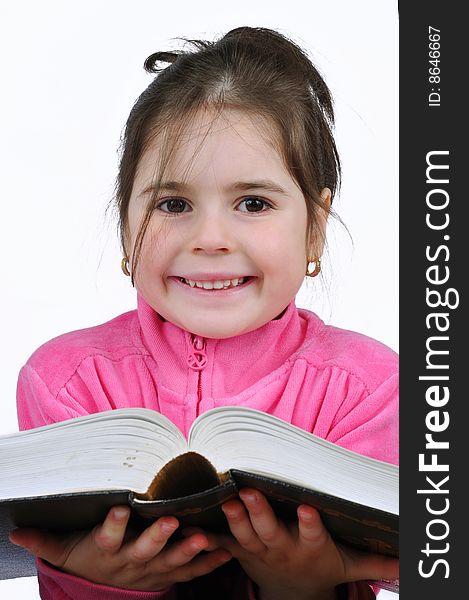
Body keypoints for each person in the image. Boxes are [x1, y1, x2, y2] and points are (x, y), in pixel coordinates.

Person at [9, 26, 398, 600]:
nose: (210, 238)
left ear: (315, 227)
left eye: (254, 203)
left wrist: (308, 586)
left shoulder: (370, 389)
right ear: (125, 223)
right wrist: (94, 577)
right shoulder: (66, 382)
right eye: (173, 204)